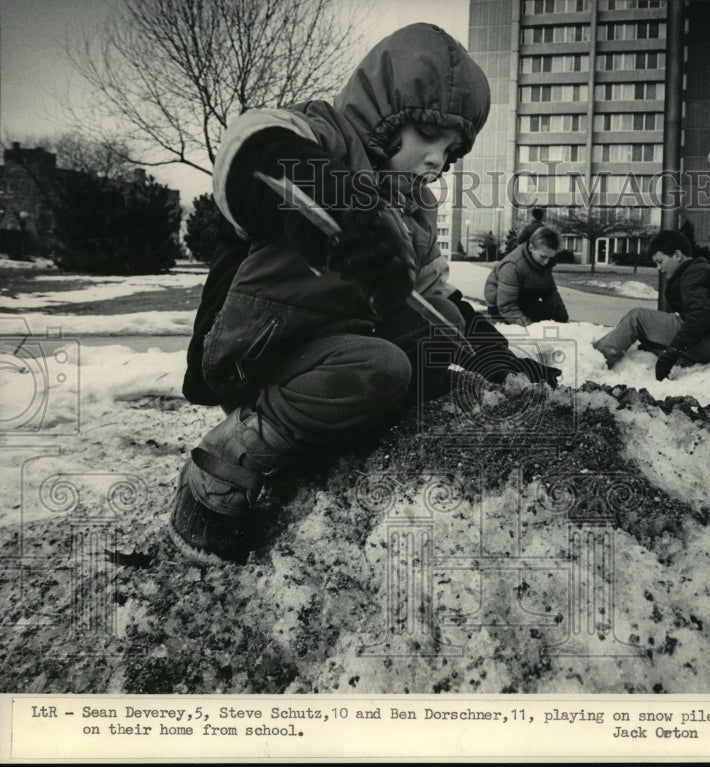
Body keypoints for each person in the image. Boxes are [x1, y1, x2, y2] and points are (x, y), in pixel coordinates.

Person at [171, 23, 555, 566]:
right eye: (428, 137)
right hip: (253, 343)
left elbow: (431, 295)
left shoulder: (416, 204)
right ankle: (220, 468)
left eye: (450, 151)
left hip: (330, 350)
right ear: (387, 113)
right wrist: (320, 190)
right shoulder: (320, 135)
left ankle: (326, 439)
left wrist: (495, 357)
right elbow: (248, 150)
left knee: (428, 347)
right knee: (382, 368)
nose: (436, 162)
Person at [593, 230, 710, 380]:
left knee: (636, 317)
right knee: (654, 325)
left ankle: (596, 361)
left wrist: (673, 351)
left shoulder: (693, 275)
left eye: (660, 261)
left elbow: (700, 317)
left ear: (677, 256)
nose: (659, 268)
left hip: (708, 342)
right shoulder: (702, 270)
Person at [484, 225, 569, 325]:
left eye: (550, 258)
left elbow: (550, 292)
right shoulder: (513, 266)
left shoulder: (543, 263)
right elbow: (506, 306)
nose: (546, 262)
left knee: (551, 313)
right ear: (531, 247)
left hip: (524, 301)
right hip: (501, 309)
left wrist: (562, 317)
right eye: (543, 257)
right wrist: (529, 327)